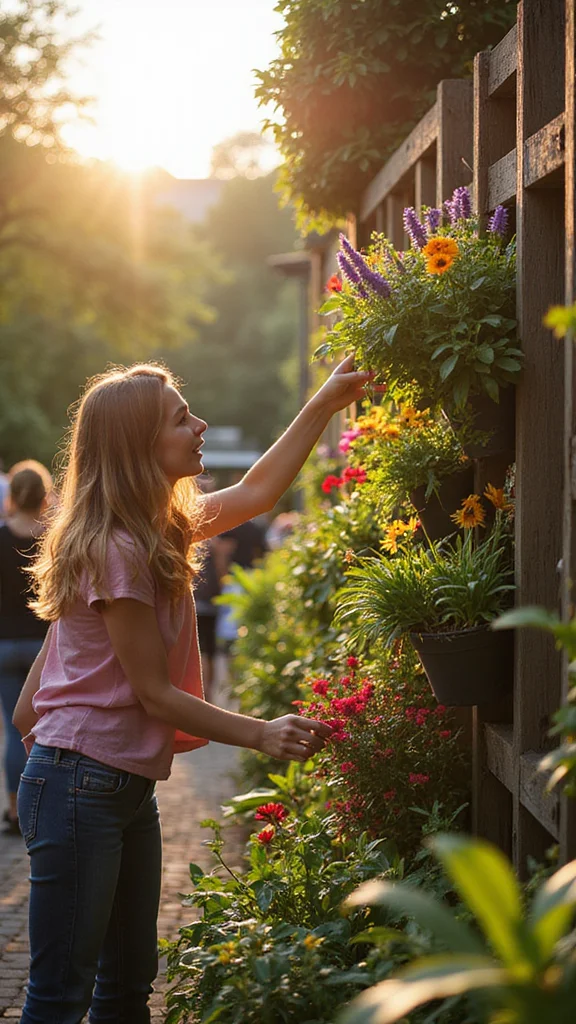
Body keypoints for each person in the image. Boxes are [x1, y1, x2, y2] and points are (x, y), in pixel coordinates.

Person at [12, 355, 371, 1024]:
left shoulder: (153, 534)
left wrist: (325, 400)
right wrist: (261, 734)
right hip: (81, 787)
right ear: (138, 446)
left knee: (125, 988)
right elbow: (151, 693)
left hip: (110, 785)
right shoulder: (118, 547)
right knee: (61, 995)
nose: (199, 425)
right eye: (182, 419)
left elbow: (260, 490)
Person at [0, 461, 52, 834]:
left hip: (3, 644)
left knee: (12, 728)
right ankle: (41, 804)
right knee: (44, 730)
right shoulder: (53, 537)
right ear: (44, 495)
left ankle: (15, 810)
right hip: (44, 645)